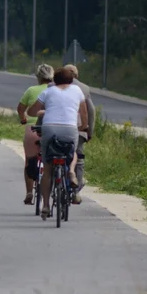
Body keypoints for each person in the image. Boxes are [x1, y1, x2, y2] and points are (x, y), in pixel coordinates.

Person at [26, 66, 89, 219]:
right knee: (72, 152)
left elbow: (31, 112)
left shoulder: (48, 91)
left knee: (47, 169)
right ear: (71, 80)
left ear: (55, 80)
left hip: (50, 129)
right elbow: (84, 112)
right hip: (70, 129)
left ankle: (46, 206)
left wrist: (42, 112)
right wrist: (82, 127)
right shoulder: (77, 91)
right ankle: (72, 172)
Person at [17, 64, 55, 205]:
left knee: (29, 160)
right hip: (51, 128)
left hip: (33, 129)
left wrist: (23, 119)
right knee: (50, 160)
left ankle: (29, 193)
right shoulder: (55, 90)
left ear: (38, 77)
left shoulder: (31, 90)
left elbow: (21, 108)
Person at [64, 64, 96, 205]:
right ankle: (76, 190)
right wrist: (89, 130)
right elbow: (91, 111)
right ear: (76, 75)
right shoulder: (84, 88)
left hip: (58, 128)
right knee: (79, 156)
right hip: (78, 129)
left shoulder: (54, 86)